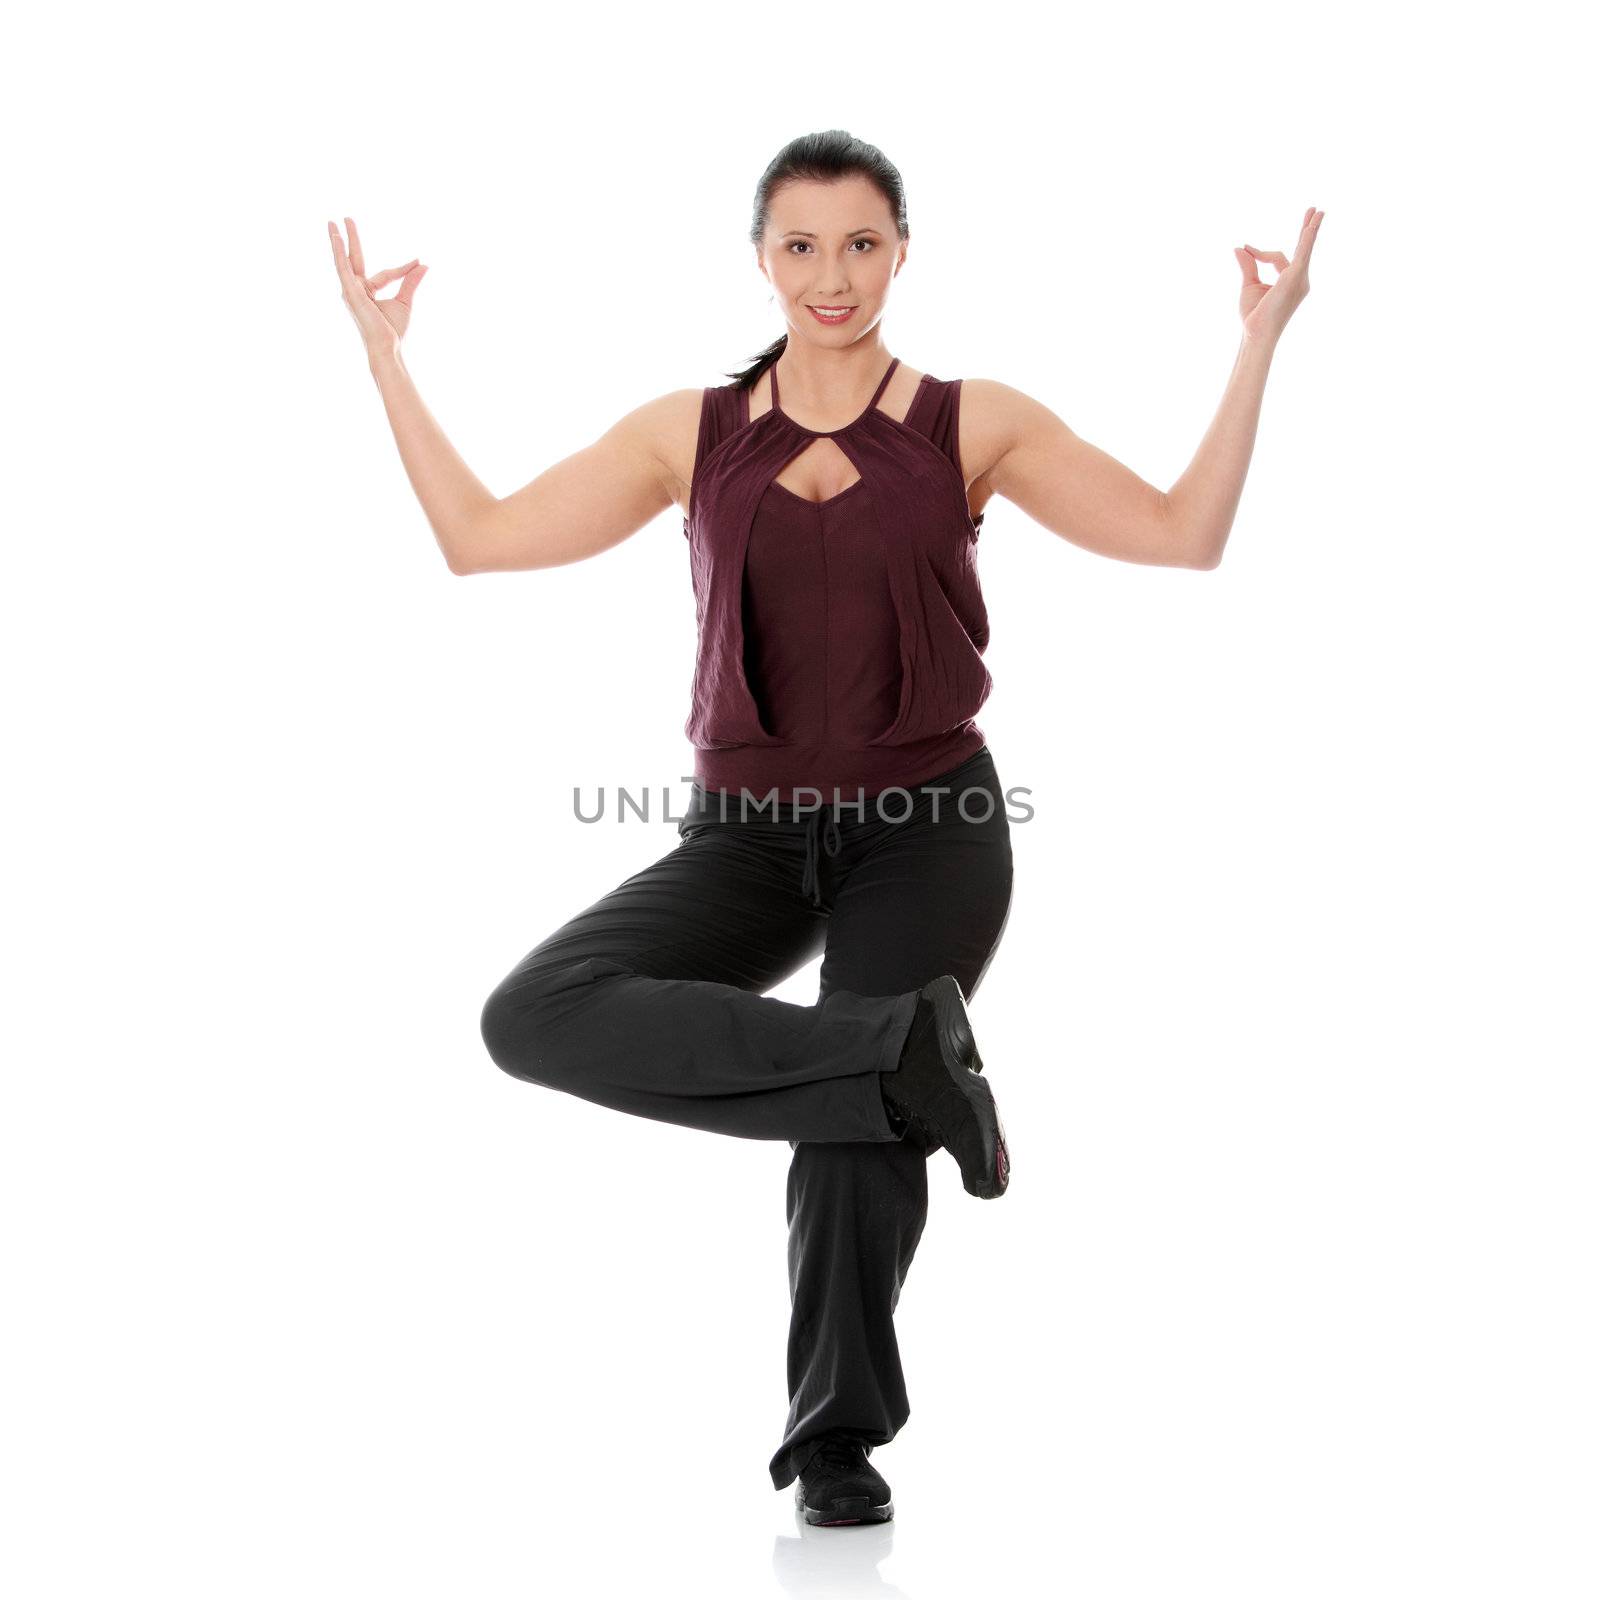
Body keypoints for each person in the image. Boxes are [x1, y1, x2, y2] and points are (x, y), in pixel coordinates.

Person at [328, 129, 1322, 1528]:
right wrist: (385, 357)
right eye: (801, 244)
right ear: (760, 259)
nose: (833, 274)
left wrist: (1258, 344)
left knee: (848, 1131)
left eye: (862, 242)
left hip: (932, 827)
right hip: (744, 836)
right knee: (534, 1013)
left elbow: (1182, 533)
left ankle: (836, 1443)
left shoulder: (976, 422)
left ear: (902, 249)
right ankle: (903, 1057)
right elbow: (480, 537)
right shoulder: (691, 433)